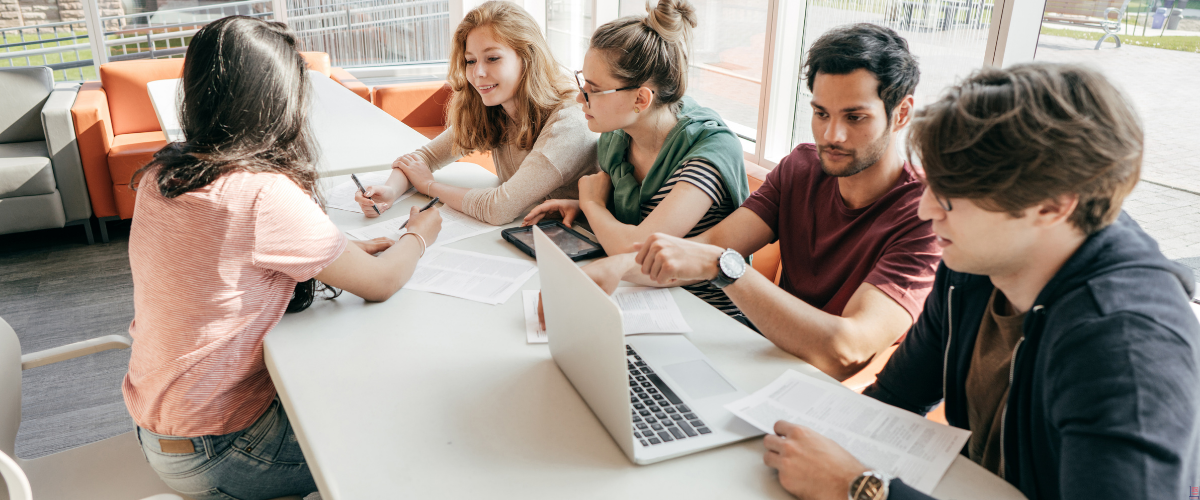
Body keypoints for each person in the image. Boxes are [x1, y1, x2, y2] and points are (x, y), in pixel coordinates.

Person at [762, 63, 1200, 500]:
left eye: (952, 197)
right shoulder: (971, 266)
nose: (925, 210)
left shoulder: (1126, 346)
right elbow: (894, 401)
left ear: (1052, 206)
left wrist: (859, 488)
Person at [123, 17, 442, 500]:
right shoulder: (260, 193)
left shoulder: (161, 175)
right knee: (400, 435)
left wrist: (345, 251)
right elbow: (380, 283)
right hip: (223, 453)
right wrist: (419, 235)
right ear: (278, 101)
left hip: (159, 431)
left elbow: (223, 258)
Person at [582, 24, 940, 379]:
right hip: (759, 356)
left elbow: (846, 350)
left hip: (824, 390)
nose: (832, 135)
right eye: (821, 113)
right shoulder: (801, 168)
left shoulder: (926, 216)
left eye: (855, 117)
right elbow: (708, 246)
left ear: (902, 114)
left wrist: (722, 265)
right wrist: (612, 269)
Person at [524, 0, 750, 318]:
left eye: (594, 88)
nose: (579, 96)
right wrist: (581, 208)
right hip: (646, 299)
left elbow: (637, 249)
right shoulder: (618, 138)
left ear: (641, 99)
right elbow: (635, 227)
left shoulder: (708, 150)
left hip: (711, 318)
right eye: (582, 81)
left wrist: (593, 205)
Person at [354, 1, 598, 226]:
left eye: (492, 58)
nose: (478, 73)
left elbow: (499, 208)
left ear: (527, 58)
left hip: (580, 244)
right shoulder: (493, 104)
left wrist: (429, 185)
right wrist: (391, 191)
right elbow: (423, 158)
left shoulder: (568, 119)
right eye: (470, 61)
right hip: (530, 234)